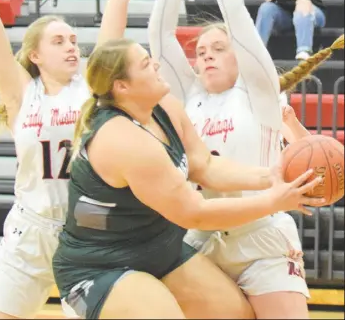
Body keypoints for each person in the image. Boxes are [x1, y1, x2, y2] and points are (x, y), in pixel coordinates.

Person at [52, 35, 324, 319]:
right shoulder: (124, 140)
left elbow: (204, 165)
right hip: (98, 267)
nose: (156, 64)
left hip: (158, 249)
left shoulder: (165, 107)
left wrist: (271, 177)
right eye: (146, 64)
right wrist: (273, 201)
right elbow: (195, 214)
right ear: (122, 86)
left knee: (235, 313)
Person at [148, 0, 343, 319]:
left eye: (220, 48)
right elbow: (160, 37)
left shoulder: (258, 93)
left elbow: (238, 20)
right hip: (202, 237)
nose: (207, 55)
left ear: (240, 54)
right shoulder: (187, 96)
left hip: (261, 238)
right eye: (200, 52)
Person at [0, 0, 131, 318]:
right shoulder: (21, 92)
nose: (71, 47)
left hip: (83, 236)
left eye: (73, 40)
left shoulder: (91, 88)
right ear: (35, 55)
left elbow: (115, 21)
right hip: (28, 233)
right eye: (58, 42)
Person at [255, 0, 326, 60]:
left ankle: (304, 50)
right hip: (285, 14)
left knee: (303, 3)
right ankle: (256, 51)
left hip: (311, 11)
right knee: (266, 7)